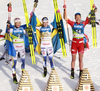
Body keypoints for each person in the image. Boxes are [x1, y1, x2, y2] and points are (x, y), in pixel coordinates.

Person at [30, 0, 59, 77]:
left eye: (46, 22)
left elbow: (56, 21)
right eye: (44, 22)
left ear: (47, 22)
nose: (45, 23)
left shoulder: (50, 27)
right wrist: (33, 10)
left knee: (51, 58)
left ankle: (52, 70)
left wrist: (58, 12)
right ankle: (45, 69)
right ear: (42, 22)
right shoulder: (40, 28)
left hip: (49, 46)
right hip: (43, 46)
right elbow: (32, 23)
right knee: (44, 58)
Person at [63, 5, 90, 79]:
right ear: (75, 18)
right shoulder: (73, 24)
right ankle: (72, 72)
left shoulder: (83, 24)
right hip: (74, 44)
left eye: (79, 17)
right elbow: (65, 18)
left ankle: (81, 72)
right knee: (73, 59)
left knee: (81, 59)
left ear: (80, 18)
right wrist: (64, 9)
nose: (78, 19)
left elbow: (88, 19)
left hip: (81, 44)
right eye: (76, 17)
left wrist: (93, 10)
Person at [7, 18, 26, 84]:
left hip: (22, 48)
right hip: (15, 49)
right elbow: (6, 33)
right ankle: (14, 74)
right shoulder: (12, 29)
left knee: (23, 60)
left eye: (19, 23)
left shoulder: (22, 29)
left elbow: (27, 34)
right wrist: (7, 27)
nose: (18, 24)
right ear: (15, 23)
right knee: (14, 62)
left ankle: (23, 71)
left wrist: (29, 29)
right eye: (17, 23)